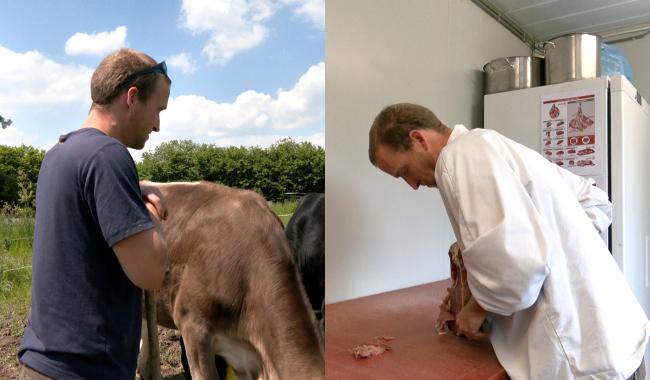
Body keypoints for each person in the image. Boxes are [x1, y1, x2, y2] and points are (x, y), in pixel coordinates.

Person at [368, 103, 649, 379]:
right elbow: (596, 202)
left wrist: (474, 310)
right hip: (619, 340)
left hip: (578, 362)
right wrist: (553, 249)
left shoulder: (459, 157)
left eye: (403, 171)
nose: (412, 185)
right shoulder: (496, 146)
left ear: (418, 139)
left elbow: (517, 271)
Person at [18, 48, 171, 379]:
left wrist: (131, 189)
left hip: (43, 362)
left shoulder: (58, 154)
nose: (158, 125)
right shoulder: (108, 156)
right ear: (132, 97)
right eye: (158, 109)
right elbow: (151, 273)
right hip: (85, 368)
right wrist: (152, 209)